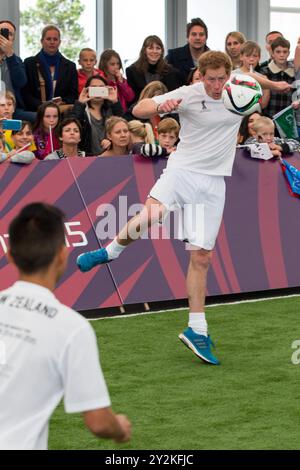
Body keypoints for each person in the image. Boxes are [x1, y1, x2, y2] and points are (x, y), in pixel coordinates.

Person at [76, 51, 291, 366]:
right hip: (182, 171)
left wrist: (274, 83)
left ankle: (197, 329)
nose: (217, 85)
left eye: (222, 78)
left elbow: (253, 80)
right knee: (153, 214)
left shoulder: (237, 91)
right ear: (201, 76)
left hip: (214, 182)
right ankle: (110, 252)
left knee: (202, 257)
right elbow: (139, 108)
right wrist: (163, 105)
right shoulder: (188, 94)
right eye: (212, 79)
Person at [0, 202, 131, 449]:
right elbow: (99, 422)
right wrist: (120, 428)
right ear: (63, 255)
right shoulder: (71, 328)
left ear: (9, 255)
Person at [22, 25, 78, 112]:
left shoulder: (70, 66)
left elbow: (73, 94)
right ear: (42, 41)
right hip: (36, 112)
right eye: (48, 39)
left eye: (55, 39)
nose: (52, 42)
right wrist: (43, 106)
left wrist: (63, 102)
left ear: (59, 42)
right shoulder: (29, 63)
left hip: (61, 113)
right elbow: (26, 93)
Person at [71, 75, 123, 156]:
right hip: (87, 158)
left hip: (112, 156)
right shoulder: (81, 110)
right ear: (87, 90)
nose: (98, 90)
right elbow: (70, 126)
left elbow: (124, 126)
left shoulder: (112, 109)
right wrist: (80, 103)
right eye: (94, 88)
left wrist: (115, 102)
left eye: (101, 87)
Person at [126, 35, 184, 104]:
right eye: (150, 48)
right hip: (140, 110)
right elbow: (132, 99)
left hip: (165, 110)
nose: (154, 51)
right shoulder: (132, 71)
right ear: (144, 50)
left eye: (158, 48)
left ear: (162, 51)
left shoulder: (172, 72)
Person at [0, 20, 35, 122]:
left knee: (39, 118)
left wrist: (10, 54)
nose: (5, 36)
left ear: (12, 40)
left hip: (12, 110)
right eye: (1, 32)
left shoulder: (16, 60)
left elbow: (21, 82)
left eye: (9, 34)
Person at [166, 18, 210, 83]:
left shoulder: (214, 60)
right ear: (187, 37)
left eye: (201, 34)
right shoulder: (173, 56)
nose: (197, 38)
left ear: (206, 38)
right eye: (194, 34)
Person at [260, 37, 294, 118]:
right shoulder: (264, 72)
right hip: (268, 119)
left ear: (289, 53)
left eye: (285, 52)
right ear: (272, 53)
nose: (281, 55)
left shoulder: (294, 73)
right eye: (278, 52)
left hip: (289, 120)